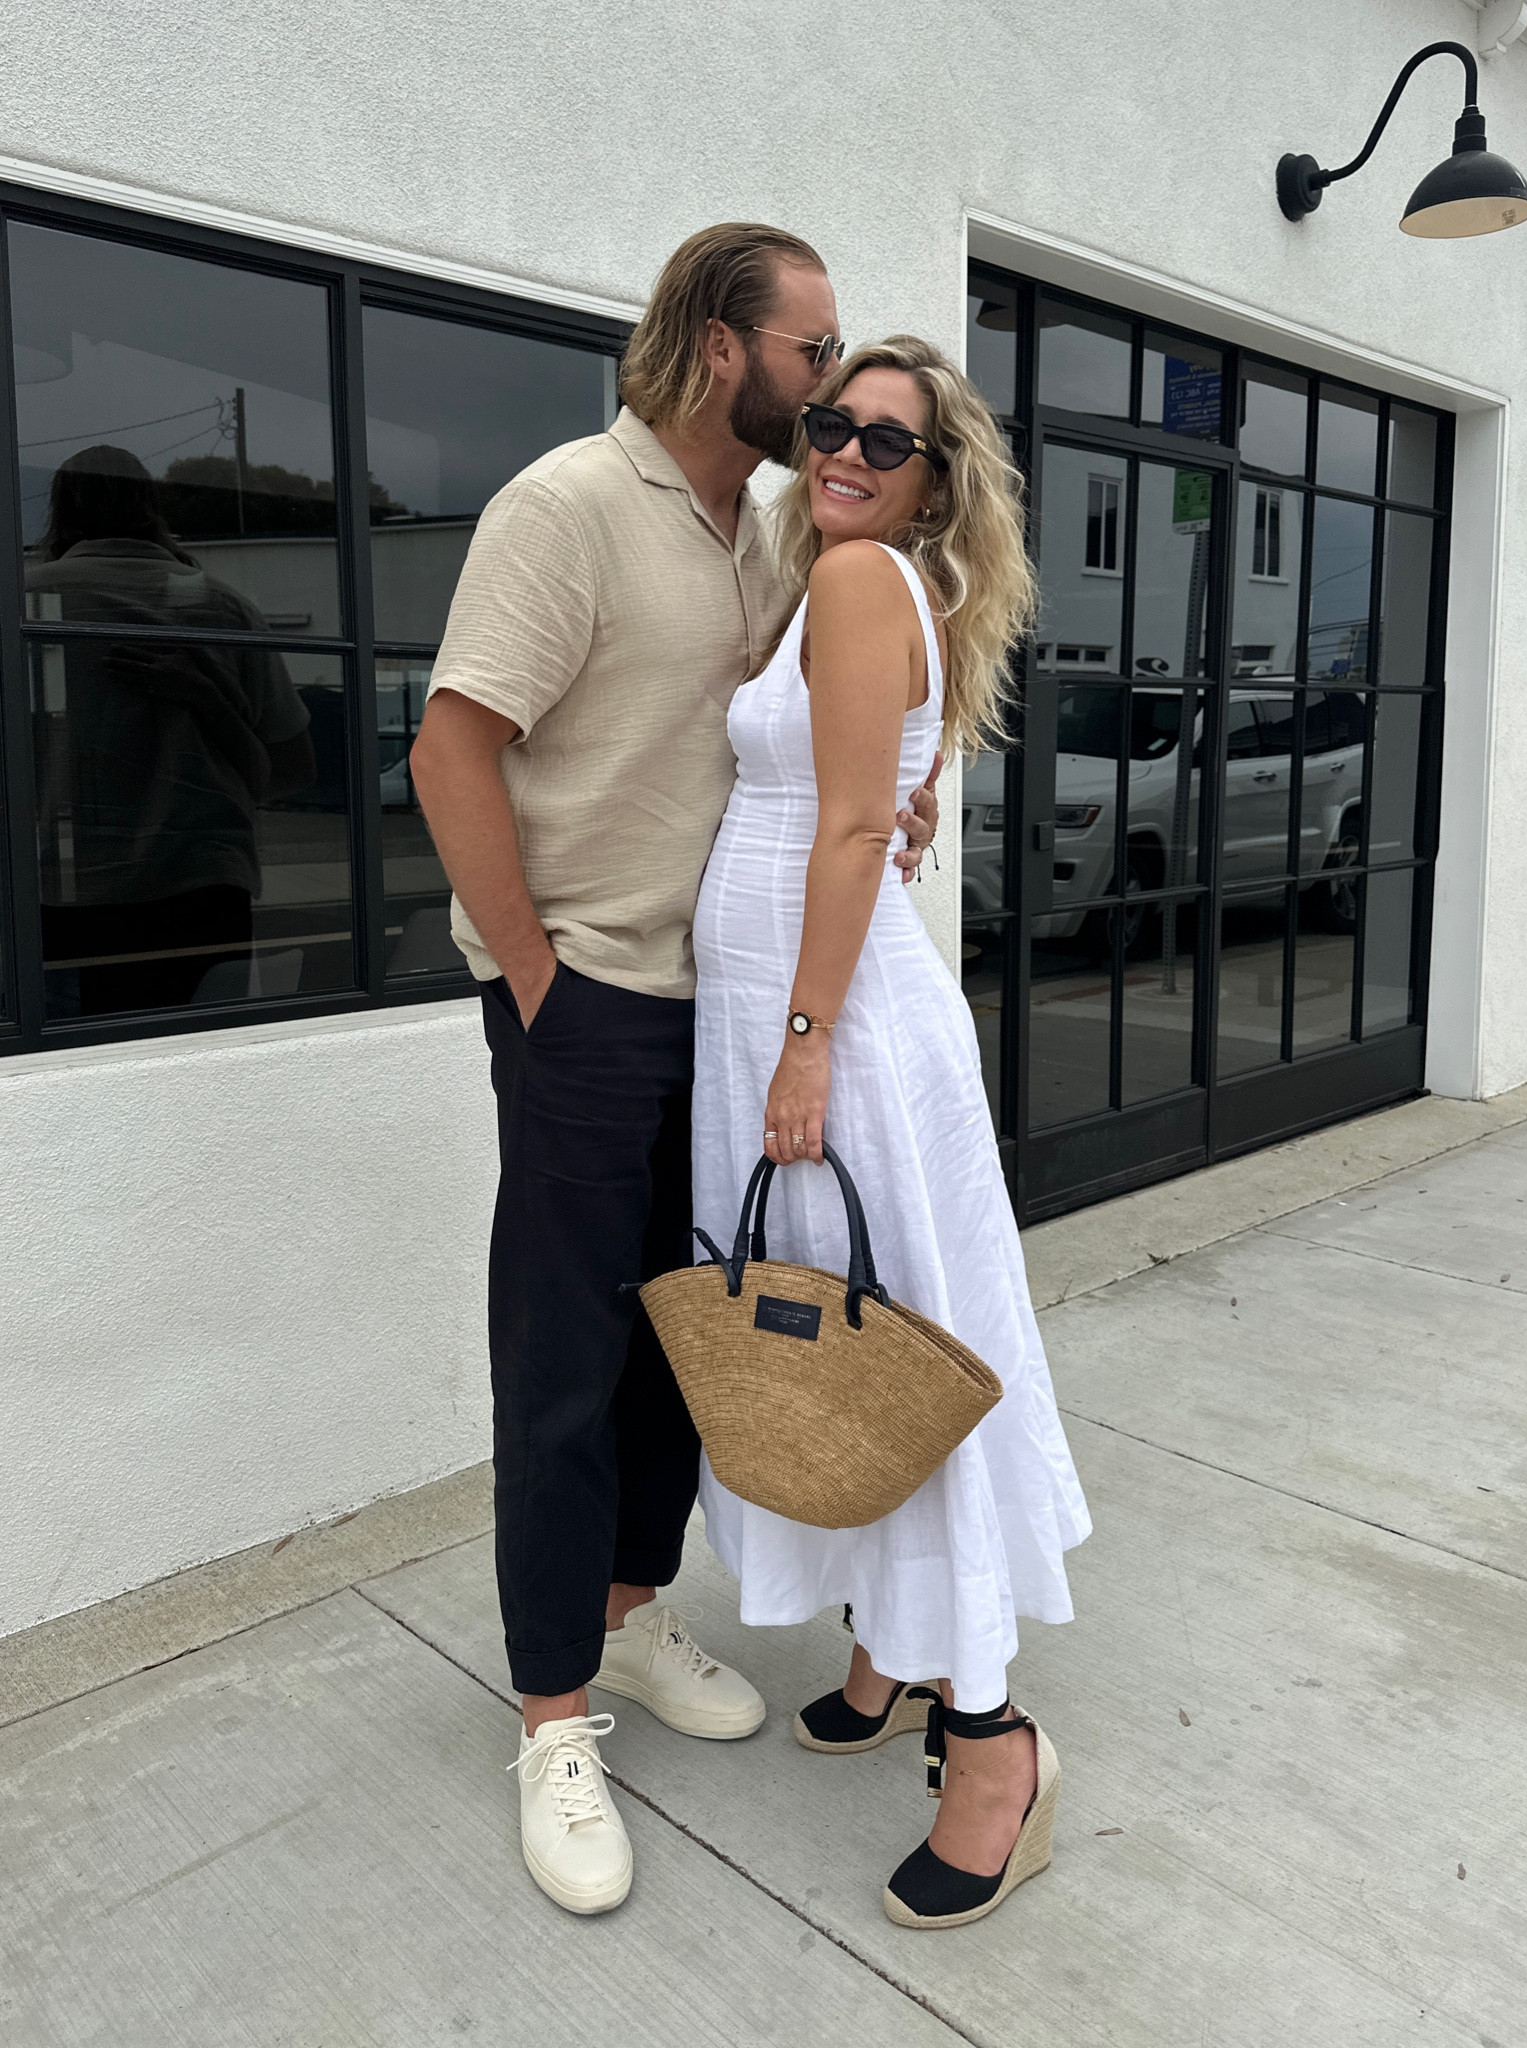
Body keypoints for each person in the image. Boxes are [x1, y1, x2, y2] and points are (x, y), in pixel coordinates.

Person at [409, 226, 938, 1917]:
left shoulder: (766, 535)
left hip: (712, 1013)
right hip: (589, 1007)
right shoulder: (567, 505)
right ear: (723, 347)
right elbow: (450, 745)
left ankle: (628, 1619)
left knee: (674, 1350)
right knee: (562, 1362)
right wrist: (540, 980)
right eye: (813, 352)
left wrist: (897, 795)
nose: (832, 391)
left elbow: (793, 751)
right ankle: (552, 1714)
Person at [691, 337, 1091, 1930]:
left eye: (887, 439)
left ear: (936, 479)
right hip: (804, 1020)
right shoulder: (841, 581)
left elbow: (855, 824)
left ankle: (994, 1748)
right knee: (847, 1348)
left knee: (880, 1345)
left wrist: (802, 1043)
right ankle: (888, 1651)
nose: (847, 451)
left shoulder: (862, 586)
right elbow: (874, 794)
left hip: (826, 1031)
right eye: (829, 423)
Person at [27, 444, 314, 1015]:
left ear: (60, 511)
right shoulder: (223, 607)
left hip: (68, 885)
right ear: (150, 506)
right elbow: (291, 771)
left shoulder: (30, 605)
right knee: (202, 1055)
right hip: (203, 884)